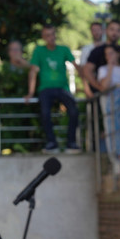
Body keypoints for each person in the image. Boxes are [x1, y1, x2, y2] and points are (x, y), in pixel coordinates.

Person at [25, 24, 81, 154]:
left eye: (52, 34)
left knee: (73, 111)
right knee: (45, 113)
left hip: (63, 88)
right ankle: (52, 143)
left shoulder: (64, 49)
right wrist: (30, 93)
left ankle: (71, 143)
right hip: (45, 89)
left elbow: (78, 67)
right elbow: (33, 71)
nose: (51, 38)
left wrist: (86, 87)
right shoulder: (39, 51)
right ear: (43, 37)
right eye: (47, 35)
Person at [96, 43, 120, 169]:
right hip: (111, 102)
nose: (109, 56)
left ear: (118, 54)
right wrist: (110, 68)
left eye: (111, 53)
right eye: (107, 54)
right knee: (113, 129)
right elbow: (105, 86)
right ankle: (118, 159)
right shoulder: (103, 70)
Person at [83, 20, 120, 95]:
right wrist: (99, 87)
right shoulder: (97, 51)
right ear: (106, 31)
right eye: (112, 29)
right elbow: (87, 70)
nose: (114, 33)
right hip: (103, 93)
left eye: (117, 30)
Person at [79, 21, 105, 96]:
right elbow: (83, 70)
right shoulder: (86, 49)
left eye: (98, 29)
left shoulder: (108, 48)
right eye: (94, 30)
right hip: (93, 84)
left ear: (102, 31)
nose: (96, 32)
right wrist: (86, 87)